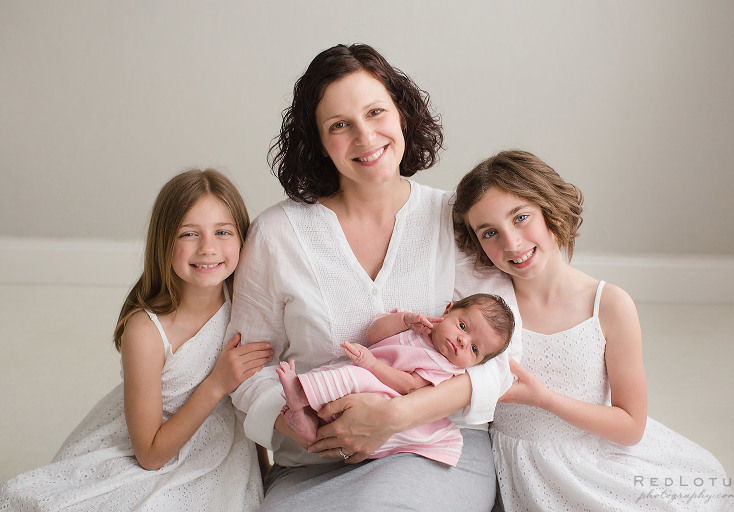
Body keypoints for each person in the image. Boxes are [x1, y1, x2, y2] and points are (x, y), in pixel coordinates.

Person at [226, 43, 520, 511]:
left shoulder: (456, 217)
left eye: (375, 112)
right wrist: (318, 430)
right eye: (339, 125)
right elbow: (245, 370)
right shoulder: (277, 234)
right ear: (318, 142)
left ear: (401, 114)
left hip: (436, 453)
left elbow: (508, 356)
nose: (365, 136)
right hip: (314, 466)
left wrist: (398, 414)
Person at [453, 150, 734, 511]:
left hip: (593, 459)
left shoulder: (608, 305)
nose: (511, 243)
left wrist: (544, 399)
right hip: (520, 465)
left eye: (521, 218)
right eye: (490, 232)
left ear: (551, 210)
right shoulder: (483, 309)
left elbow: (630, 425)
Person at [0, 169, 272, 511]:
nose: (208, 248)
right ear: (164, 241)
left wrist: (266, 473)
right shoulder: (145, 332)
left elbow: (245, 402)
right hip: (157, 448)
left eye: (222, 232)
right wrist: (216, 384)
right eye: (189, 234)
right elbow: (150, 455)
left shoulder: (245, 303)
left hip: (223, 454)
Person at [277, 293, 515, 467]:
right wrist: (404, 320)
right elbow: (373, 333)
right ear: (447, 310)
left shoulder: (445, 368)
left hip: (383, 393)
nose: (463, 341)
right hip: (366, 374)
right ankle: (304, 419)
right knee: (335, 373)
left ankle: (299, 395)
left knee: (350, 375)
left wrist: (371, 365)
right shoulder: (416, 325)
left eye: (474, 349)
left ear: (476, 364)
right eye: (462, 326)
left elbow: (409, 385)